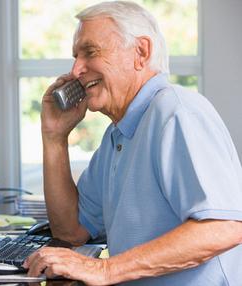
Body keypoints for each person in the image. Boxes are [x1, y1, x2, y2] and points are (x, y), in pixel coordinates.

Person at [22, 1, 242, 285]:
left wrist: (106, 269)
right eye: (75, 57)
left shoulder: (177, 112)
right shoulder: (119, 133)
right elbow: (71, 232)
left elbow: (225, 226)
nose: (76, 70)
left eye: (90, 52)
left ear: (141, 52)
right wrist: (54, 138)